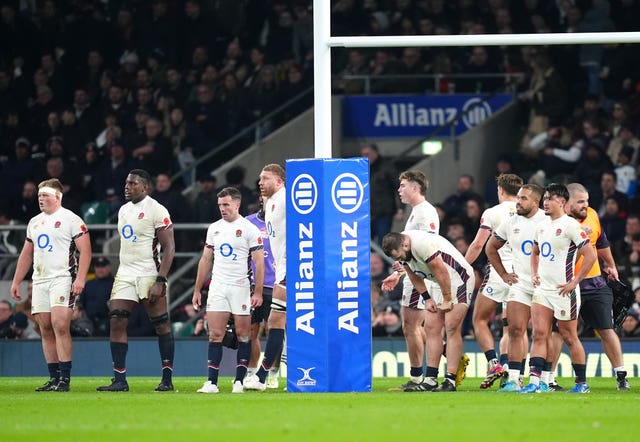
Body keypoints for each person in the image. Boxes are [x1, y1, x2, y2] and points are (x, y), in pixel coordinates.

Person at [382, 170, 467, 391]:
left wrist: (428, 286)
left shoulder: (426, 213)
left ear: (415, 187)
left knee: (413, 324)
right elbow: (407, 253)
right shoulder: (414, 212)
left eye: (402, 186)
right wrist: (399, 272)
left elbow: (429, 249)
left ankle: (421, 375)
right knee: (414, 325)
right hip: (418, 275)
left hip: (427, 277)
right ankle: (433, 367)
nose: (399, 190)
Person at [97, 169, 176, 392]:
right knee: (116, 321)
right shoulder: (123, 210)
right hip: (125, 273)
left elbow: (169, 248)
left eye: (132, 183)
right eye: (126, 182)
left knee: (161, 325)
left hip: (149, 273)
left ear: (145, 187)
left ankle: (167, 380)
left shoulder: (157, 210)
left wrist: (160, 280)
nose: (127, 187)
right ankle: (120, 380)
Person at [10, 178, 91, 391]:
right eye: (39, 196)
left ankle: (65, 378)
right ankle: (54, 377)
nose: (41, 199)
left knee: (60, 324)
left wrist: (81, 278)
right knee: (44, 327)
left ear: (58, 197)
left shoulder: (71, 219)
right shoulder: (34, 222)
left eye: (45, 195)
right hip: (40, 279)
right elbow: (27, 254)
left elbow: (86, 250)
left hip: (63, 278)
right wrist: (17, 280)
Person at [522, 183, 596, 394]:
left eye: (550, 199)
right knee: (539, 334)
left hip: (564, 290)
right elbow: (535, 252)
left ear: (562, 202)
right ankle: (535, 383)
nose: (545, 202)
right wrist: (534, 273)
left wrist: (574, 282)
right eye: (545, 198)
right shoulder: (542, 226)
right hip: (543, 290)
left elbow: (590, 255)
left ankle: (582, 383)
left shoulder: (571, 225)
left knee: (569, 336)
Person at [382, 230, 475, 392]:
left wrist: (447, 299)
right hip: (438, 282)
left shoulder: (422, 245)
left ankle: (450, 381)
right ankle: (431, 379)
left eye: (399, 257)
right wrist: (427, 298)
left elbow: (441, 270)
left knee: (451, 327)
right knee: (431, 328)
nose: (399, 260)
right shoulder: (401, 246)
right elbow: (413, 275)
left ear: (405, 245)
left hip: (458, 278)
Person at [192, 187, 264, 394]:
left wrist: (257, 292)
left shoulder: (250, 229)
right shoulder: (214, 228)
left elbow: (260, 263)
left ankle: (239, 381)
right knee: (215, 334)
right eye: (220, 205)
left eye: (226, 205)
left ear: (237, 204)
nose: (222, 209)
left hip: (241, 287)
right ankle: (212, 382)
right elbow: (206, 259)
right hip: (218, 286)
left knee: (243, 334)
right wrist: (197, 289)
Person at [562, 183, 630, 390]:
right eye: (580, 202)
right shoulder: (558, 223)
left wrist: (611, 265)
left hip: (594, 282)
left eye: (587, 201)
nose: (586, 205)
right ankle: (548, 378)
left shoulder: (592, 215)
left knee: (606, 328)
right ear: (567, 203)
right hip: (566, 284)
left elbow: (601, 243)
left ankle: (621, 375)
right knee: (559, 333)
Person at [485, 183, 547, 392]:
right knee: (515, 329)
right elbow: (490, 248)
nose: (518, 202)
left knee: (542, 333)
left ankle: (544, 379)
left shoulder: (547, 221)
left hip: (544, 286)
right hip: (520, 284)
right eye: (518, 197)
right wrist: (503, 274)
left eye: (523, 199)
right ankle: (514, 379)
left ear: (536, 202)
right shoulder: (511, 223)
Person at [464, 173, 523, 389]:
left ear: (500, 190)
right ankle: (512, 371)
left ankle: (493, 363)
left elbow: (479, 244)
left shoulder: (492, 213)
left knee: (479, 320)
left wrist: (463, 266)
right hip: (522, 276)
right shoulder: (529, 211)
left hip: (499, 273)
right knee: (513, 328)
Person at [244, 164, 286, 391]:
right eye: (259, 179)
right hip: (282, 269)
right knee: (278, 322)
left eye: (265, 178)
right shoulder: (270, 204)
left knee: (277, 322)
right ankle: (261, 375)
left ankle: (263, 375)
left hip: (292, 269)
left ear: (279, 181)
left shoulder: (287, 200)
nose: (260, 182)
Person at [245, 195, 279, 388]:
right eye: (267, 199)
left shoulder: (286, 221)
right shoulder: (248, 222)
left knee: (273, 328)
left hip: (275, 283)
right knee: (250, 330)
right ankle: (251, 372)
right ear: (260, 200)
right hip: (251, 285)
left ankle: (272, 373)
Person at [361, 144, 402, 244]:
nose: (364, 157)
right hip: (367, 213)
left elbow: (398, 187)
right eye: (363, 154)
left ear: (375, 153)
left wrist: (400, 209)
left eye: (367, 154)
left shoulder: (387, 167)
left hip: (384, 213)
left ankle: (383, 260)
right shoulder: (362, 168)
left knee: (383, 242)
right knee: (364, 243)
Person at [80, 256, 114, 336]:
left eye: (103, 266)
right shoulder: (88, 284)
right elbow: (81, 303)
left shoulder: (115, 284)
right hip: (88, 321)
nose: (100, 269)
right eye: (97, 266)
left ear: (109, 268)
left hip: (108, 321)